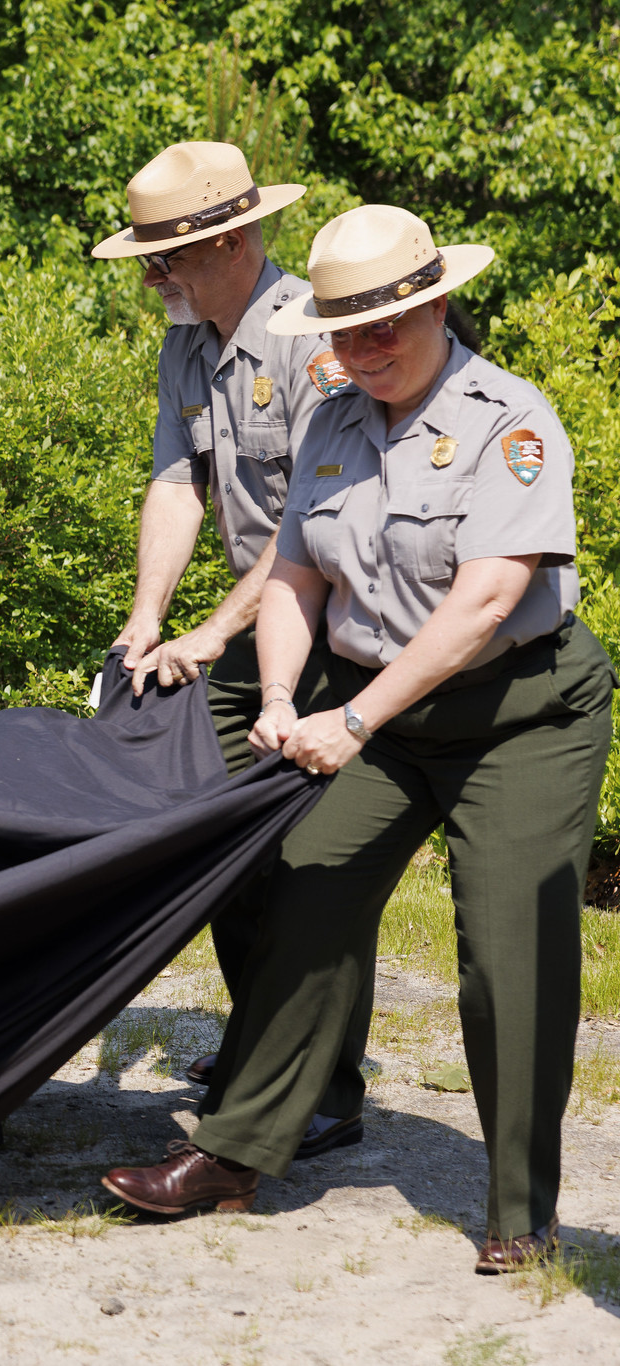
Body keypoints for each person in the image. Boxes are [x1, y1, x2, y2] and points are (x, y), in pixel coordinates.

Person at [101, 205, 614, 1272]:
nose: (366, 346)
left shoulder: (506, 422)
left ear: (433, 304)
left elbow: (482, 605)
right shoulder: (333, 421)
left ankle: (520, 1206)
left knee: (506, 952)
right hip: (371, 704)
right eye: (342, 329)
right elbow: (291, 574)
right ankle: (237, 1151)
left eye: (387, 323)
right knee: (302, 882)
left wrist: (352, 718)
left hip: (516, 714)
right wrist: (281, 695)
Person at [91, 140, 366, 1155]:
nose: (152, 278)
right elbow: (177, 481)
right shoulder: (186, 343)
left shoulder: (312, 340)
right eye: (147, 261)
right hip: (259, 619)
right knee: (208, 818)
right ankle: (261, 1040)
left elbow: (312, 516)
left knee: (309, 851)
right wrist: (145, 616)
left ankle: (324, 1086)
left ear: (237, 237)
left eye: (168, 258)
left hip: (343, 626)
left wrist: (210, 633)